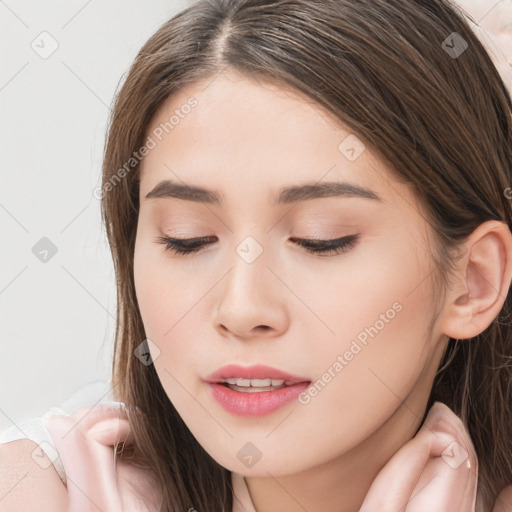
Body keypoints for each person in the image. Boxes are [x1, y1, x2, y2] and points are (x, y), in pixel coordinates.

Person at [2, 0, 512, 510]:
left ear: (473, 281)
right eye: (188, 238)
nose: (242, 309)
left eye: (321, 239)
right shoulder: (45, 490)